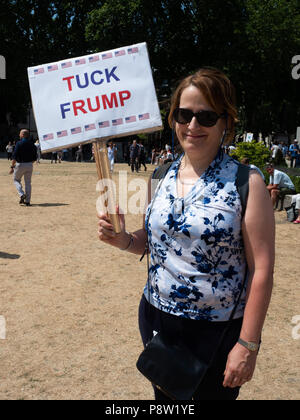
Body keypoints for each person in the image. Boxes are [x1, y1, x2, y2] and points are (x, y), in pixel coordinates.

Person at [97, 68, 275, 400]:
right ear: (173, 118)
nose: (192, 126)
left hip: (215, 332)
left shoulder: (247, 182)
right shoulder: (161, 174)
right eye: (184, 114)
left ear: (226, 123)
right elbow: (154, 242)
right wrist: (121, 239)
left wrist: (248, 344)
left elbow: (261, 269)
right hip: (156, 317)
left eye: (206, 117)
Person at [9, 129, 37, 206]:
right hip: (29, 165)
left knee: (16, 180)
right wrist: (29, 164)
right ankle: (27, 201)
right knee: (28, 183)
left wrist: (12, 167)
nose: (19, 135)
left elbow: (14, 156)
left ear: (23, 135)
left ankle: (21, 194)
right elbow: (35, 158)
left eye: (20, 134)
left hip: (20, 164)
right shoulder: (33, 144)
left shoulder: (19, 143)